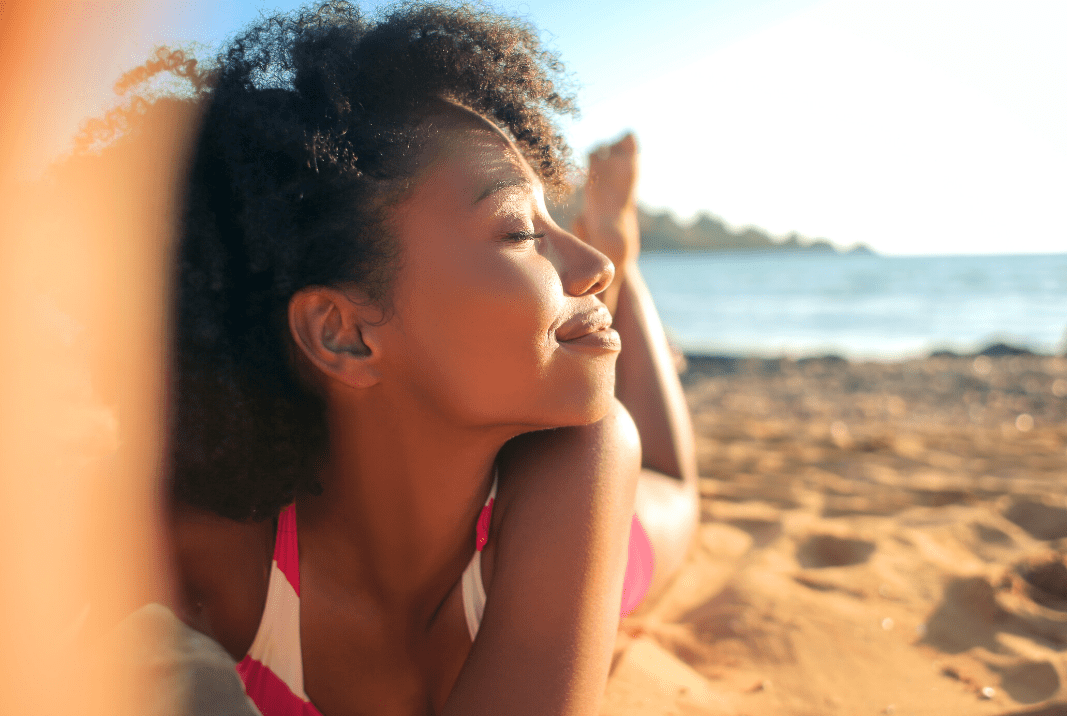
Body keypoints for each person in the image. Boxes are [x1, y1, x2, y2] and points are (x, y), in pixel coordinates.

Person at [160, 2, 699, 714]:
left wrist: (603, 267)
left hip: (581, 553)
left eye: (552, 221)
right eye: (516, 231)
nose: (589, 262)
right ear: (343, 333)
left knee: (676, 491)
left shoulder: (581, 459)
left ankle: (638, 267)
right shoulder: (218, 554)